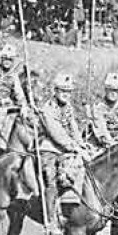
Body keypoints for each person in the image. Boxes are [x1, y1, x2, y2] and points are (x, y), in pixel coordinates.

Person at [37, 72, 87, 214]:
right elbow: (56, 133)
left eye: (69, 92)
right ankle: (50, 217)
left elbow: (73, 127)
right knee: (50, 178)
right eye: (63, 91)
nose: (66, 94)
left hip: (67, 147)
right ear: (56, 91)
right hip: (49, 147)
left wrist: (80, 143)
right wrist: (73, 146)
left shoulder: (68, 107)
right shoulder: (48, 108)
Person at [86, 72, 118, 157]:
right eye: (110, 89)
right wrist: (114, 146)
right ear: (106, 90)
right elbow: (101, 131)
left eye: (116, 90)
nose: (113, 93)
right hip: (99, 145)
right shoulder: (98, 107)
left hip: (117, 143)